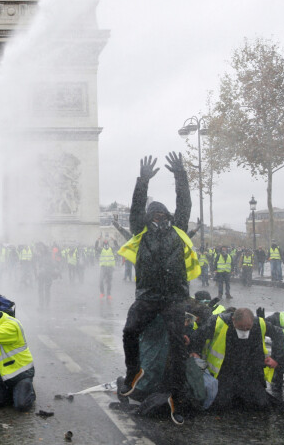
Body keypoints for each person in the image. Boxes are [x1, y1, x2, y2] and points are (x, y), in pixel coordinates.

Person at [117, 153, 197, 425]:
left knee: (178, 350)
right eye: (155, 214)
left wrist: (180, 175)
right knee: (129, 331)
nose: (160, 217)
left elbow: (184, 202)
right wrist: (142, 181)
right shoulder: (141, 232)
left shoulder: (180, 229)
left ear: (170, 217)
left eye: (163, 214)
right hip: (149, 297)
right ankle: (133, 373)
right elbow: (136, 208)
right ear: (149, 217)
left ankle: (178, 398)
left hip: (174, 298)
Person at [190, 308, 283, 411]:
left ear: (253, 321)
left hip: (250, 371)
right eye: (241, 327)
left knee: (260, 405)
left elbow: (278, 334)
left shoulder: (260, 323)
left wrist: (275, 358)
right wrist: (195, 352)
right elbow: (197, 336)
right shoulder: (218, 322)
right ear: (233, 320)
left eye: (248, 328)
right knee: (220, 406)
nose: (244, 331)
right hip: (225, 371)